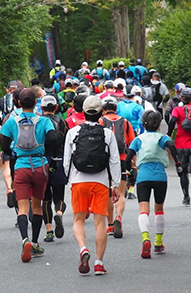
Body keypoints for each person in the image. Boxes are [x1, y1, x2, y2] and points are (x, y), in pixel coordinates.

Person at [64, 96, 122, 275]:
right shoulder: (107, 134)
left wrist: (69, 180)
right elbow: (114, 161)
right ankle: (98, 263)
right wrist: (116, 185)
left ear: (82, 111)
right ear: (101, 113)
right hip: (101, 182)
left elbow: (67, 162)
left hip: (79, 181)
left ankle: (83, 249)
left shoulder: (72, 133)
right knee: (100, 223)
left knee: (78, 220)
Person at [0, 88, 57, 262]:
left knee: (23, 208)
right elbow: (53, 139)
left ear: (18, 103)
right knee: (37, 206)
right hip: (39, 166)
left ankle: (24, 239)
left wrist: (13, 150)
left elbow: (3, 143)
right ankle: (34, 242)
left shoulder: (11, 121)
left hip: (21, 167)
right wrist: (45, 153)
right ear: (35, 103)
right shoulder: (43, 121)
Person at [125, 110, 179, 257]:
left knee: (143, 208)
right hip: (160, 176)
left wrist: (129, 170)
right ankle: (158, 242)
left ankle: (145, 238)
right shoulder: (162, 138)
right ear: (158, 125)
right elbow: (171, 146)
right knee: (159, 208)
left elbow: (128, 156)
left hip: (143, 176)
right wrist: (178, 163)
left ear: (143, 124)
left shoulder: (139, 139)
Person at [100, 96, 135, 238]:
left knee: (108, 194)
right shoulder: (125, 122)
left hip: (105, 161)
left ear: (103, 109)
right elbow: (132, 143)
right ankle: (118, 217)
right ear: (116, 108)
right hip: (122, 159)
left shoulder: (100, 121)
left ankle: (109, 225)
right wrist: (133, 162)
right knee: (120, 192)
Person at [40, 95, 69, 242]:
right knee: (59, 196)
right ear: (56, 107)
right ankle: (59, 213)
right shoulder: (62, 123)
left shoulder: (38, 123)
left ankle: (49, 230)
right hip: (59, 160)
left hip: (43, 161)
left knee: (45, 198)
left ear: (41, 107)